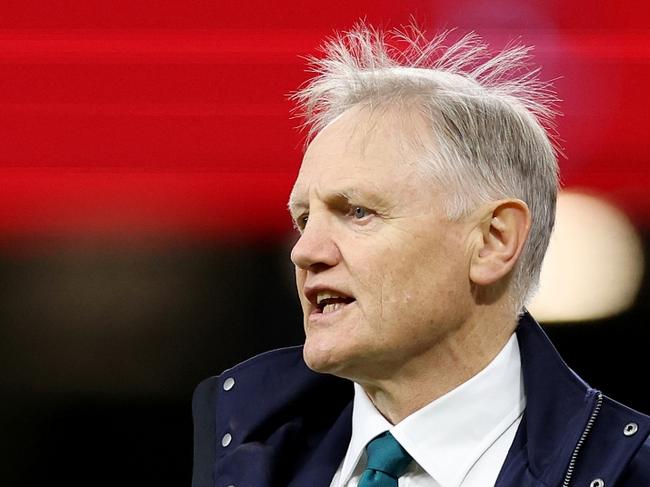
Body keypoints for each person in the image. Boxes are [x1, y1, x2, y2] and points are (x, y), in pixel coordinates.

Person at [192, 24, 650, 487]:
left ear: (493, 240)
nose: (305, 252)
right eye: (304, 219)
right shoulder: (241, 458)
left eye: (357, 212)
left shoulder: (629, 472)